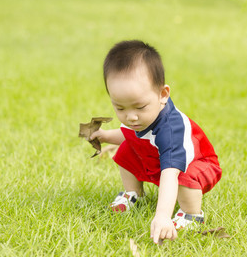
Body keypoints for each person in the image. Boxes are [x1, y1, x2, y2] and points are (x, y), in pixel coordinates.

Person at [90, 40, 222, 244]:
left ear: (162, 95)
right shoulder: (142, 117)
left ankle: (191, 214)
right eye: (120, 108)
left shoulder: (171, 130)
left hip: (196, 165)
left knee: (183, 180)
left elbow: (170, 174)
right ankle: (133, 193)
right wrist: (106, 135)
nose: (131, 117)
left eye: (139, 107)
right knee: (126, 150)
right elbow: (128, 134)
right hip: (157, 159)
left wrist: (162, 215)